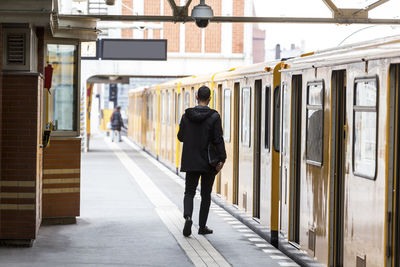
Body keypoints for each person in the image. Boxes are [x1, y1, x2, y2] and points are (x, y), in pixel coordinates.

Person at [177, 86, 226, 237]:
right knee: (206, 194)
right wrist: (222, 158)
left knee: (189, 192)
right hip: (208, 162)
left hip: (191, 160)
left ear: (196, 97)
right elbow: (218, 140)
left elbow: (181, 137)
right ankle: (202, 226)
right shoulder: (214, 117)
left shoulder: (187, 116)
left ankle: (188, 217)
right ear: (210, 98)